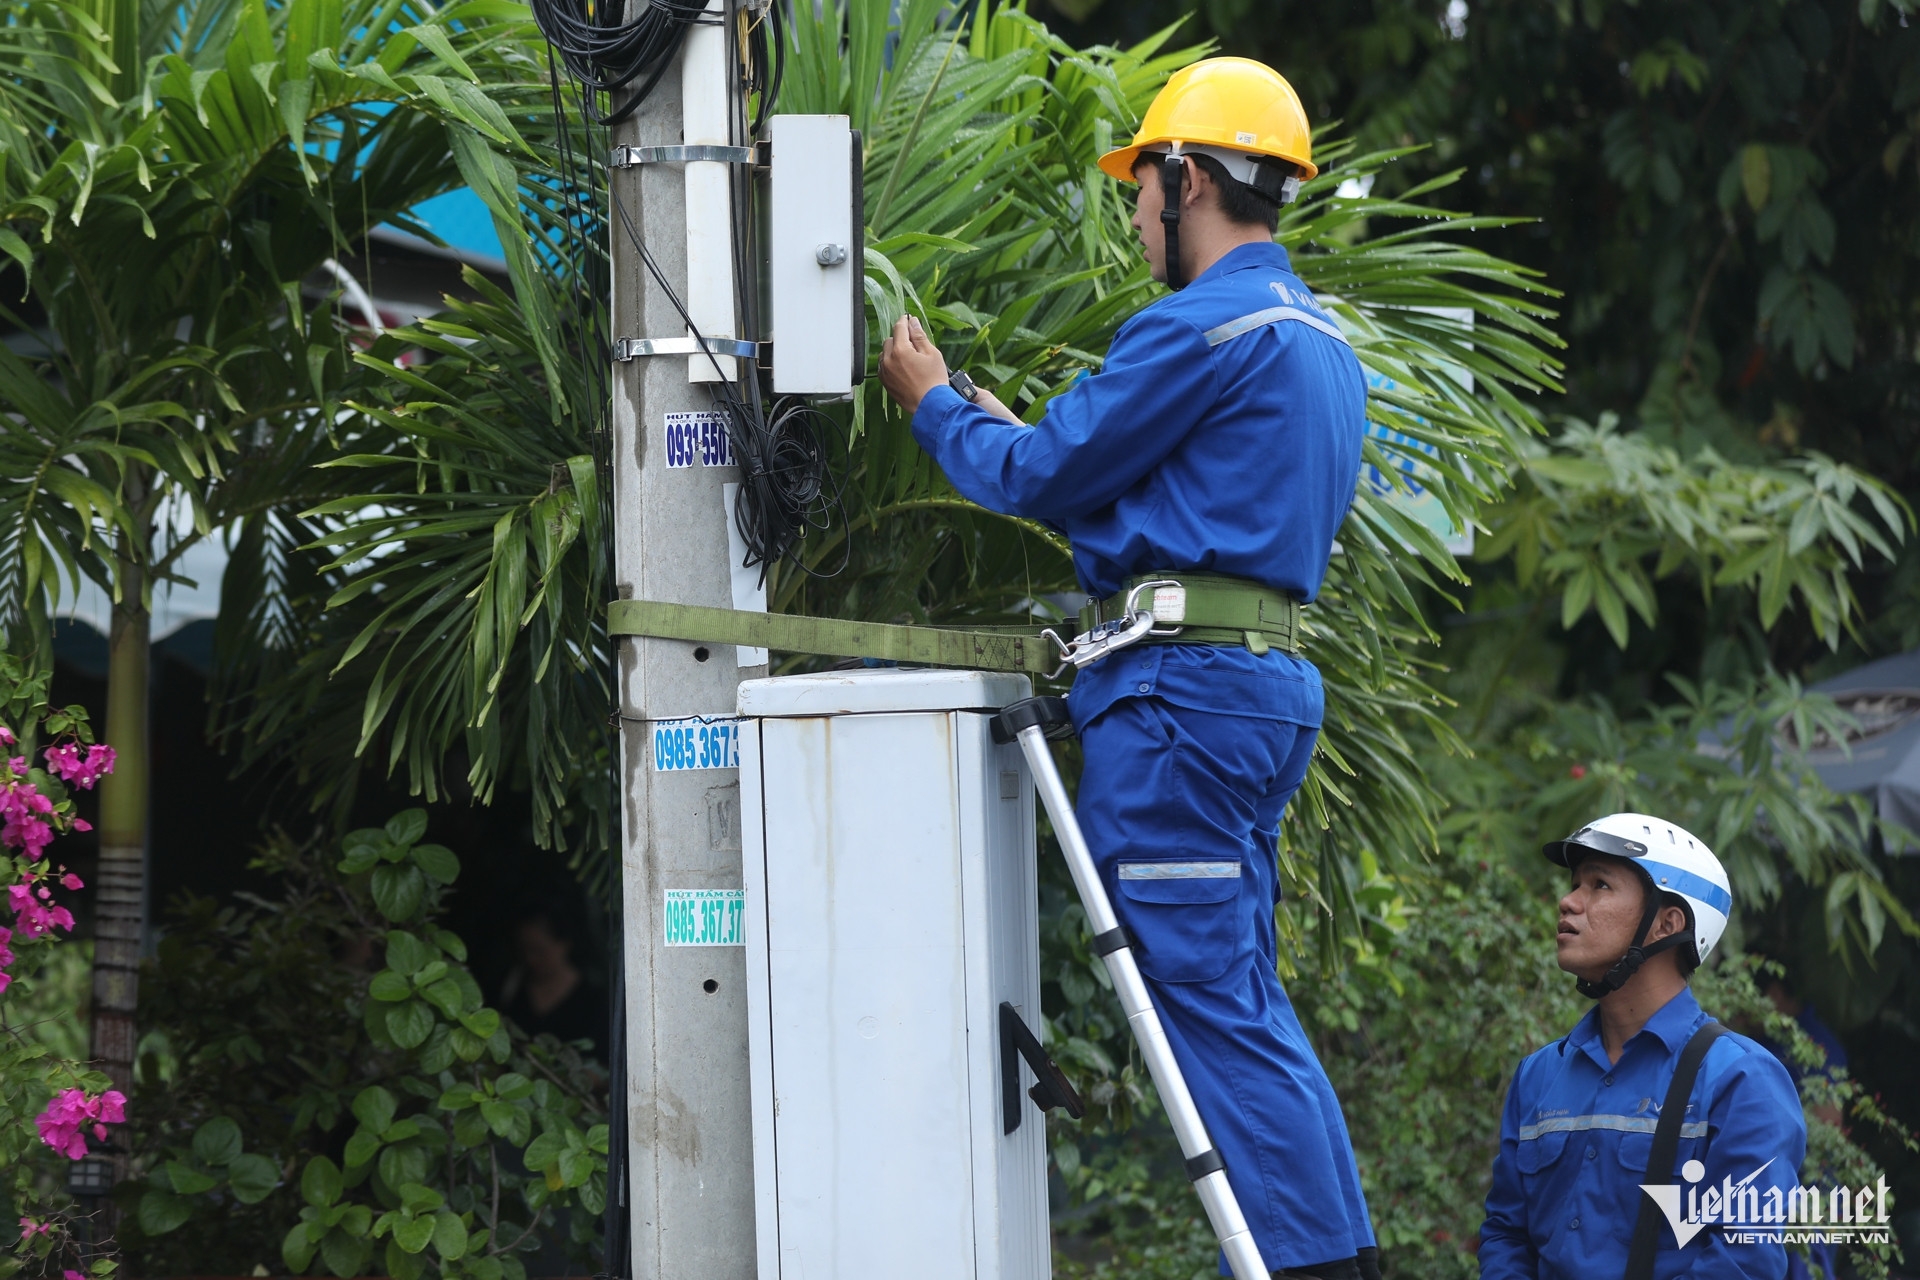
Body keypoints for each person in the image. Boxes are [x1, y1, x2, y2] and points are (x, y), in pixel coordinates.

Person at [877, 57, 1376, 1280]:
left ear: (1189, 178)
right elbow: (1145, 503)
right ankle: (1327, 1252)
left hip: (1181, 703)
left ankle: (1316, 1267)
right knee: (1239, 996)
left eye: (1141, 189)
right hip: (1248, 691)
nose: (1137, 216)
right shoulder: (1318, 342)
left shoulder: (1199, 328)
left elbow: (1052, 476)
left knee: (1213, 1005)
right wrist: (1017, 437)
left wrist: (939, 407)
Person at [1479, 813, 1807, 1280]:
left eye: (1600, 885)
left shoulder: (1740, 1079)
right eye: (1575, 884)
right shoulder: (1538, 1075)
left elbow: (1745, 1258)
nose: (1568, 902)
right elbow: (1506, 1235)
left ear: (1666, 923)